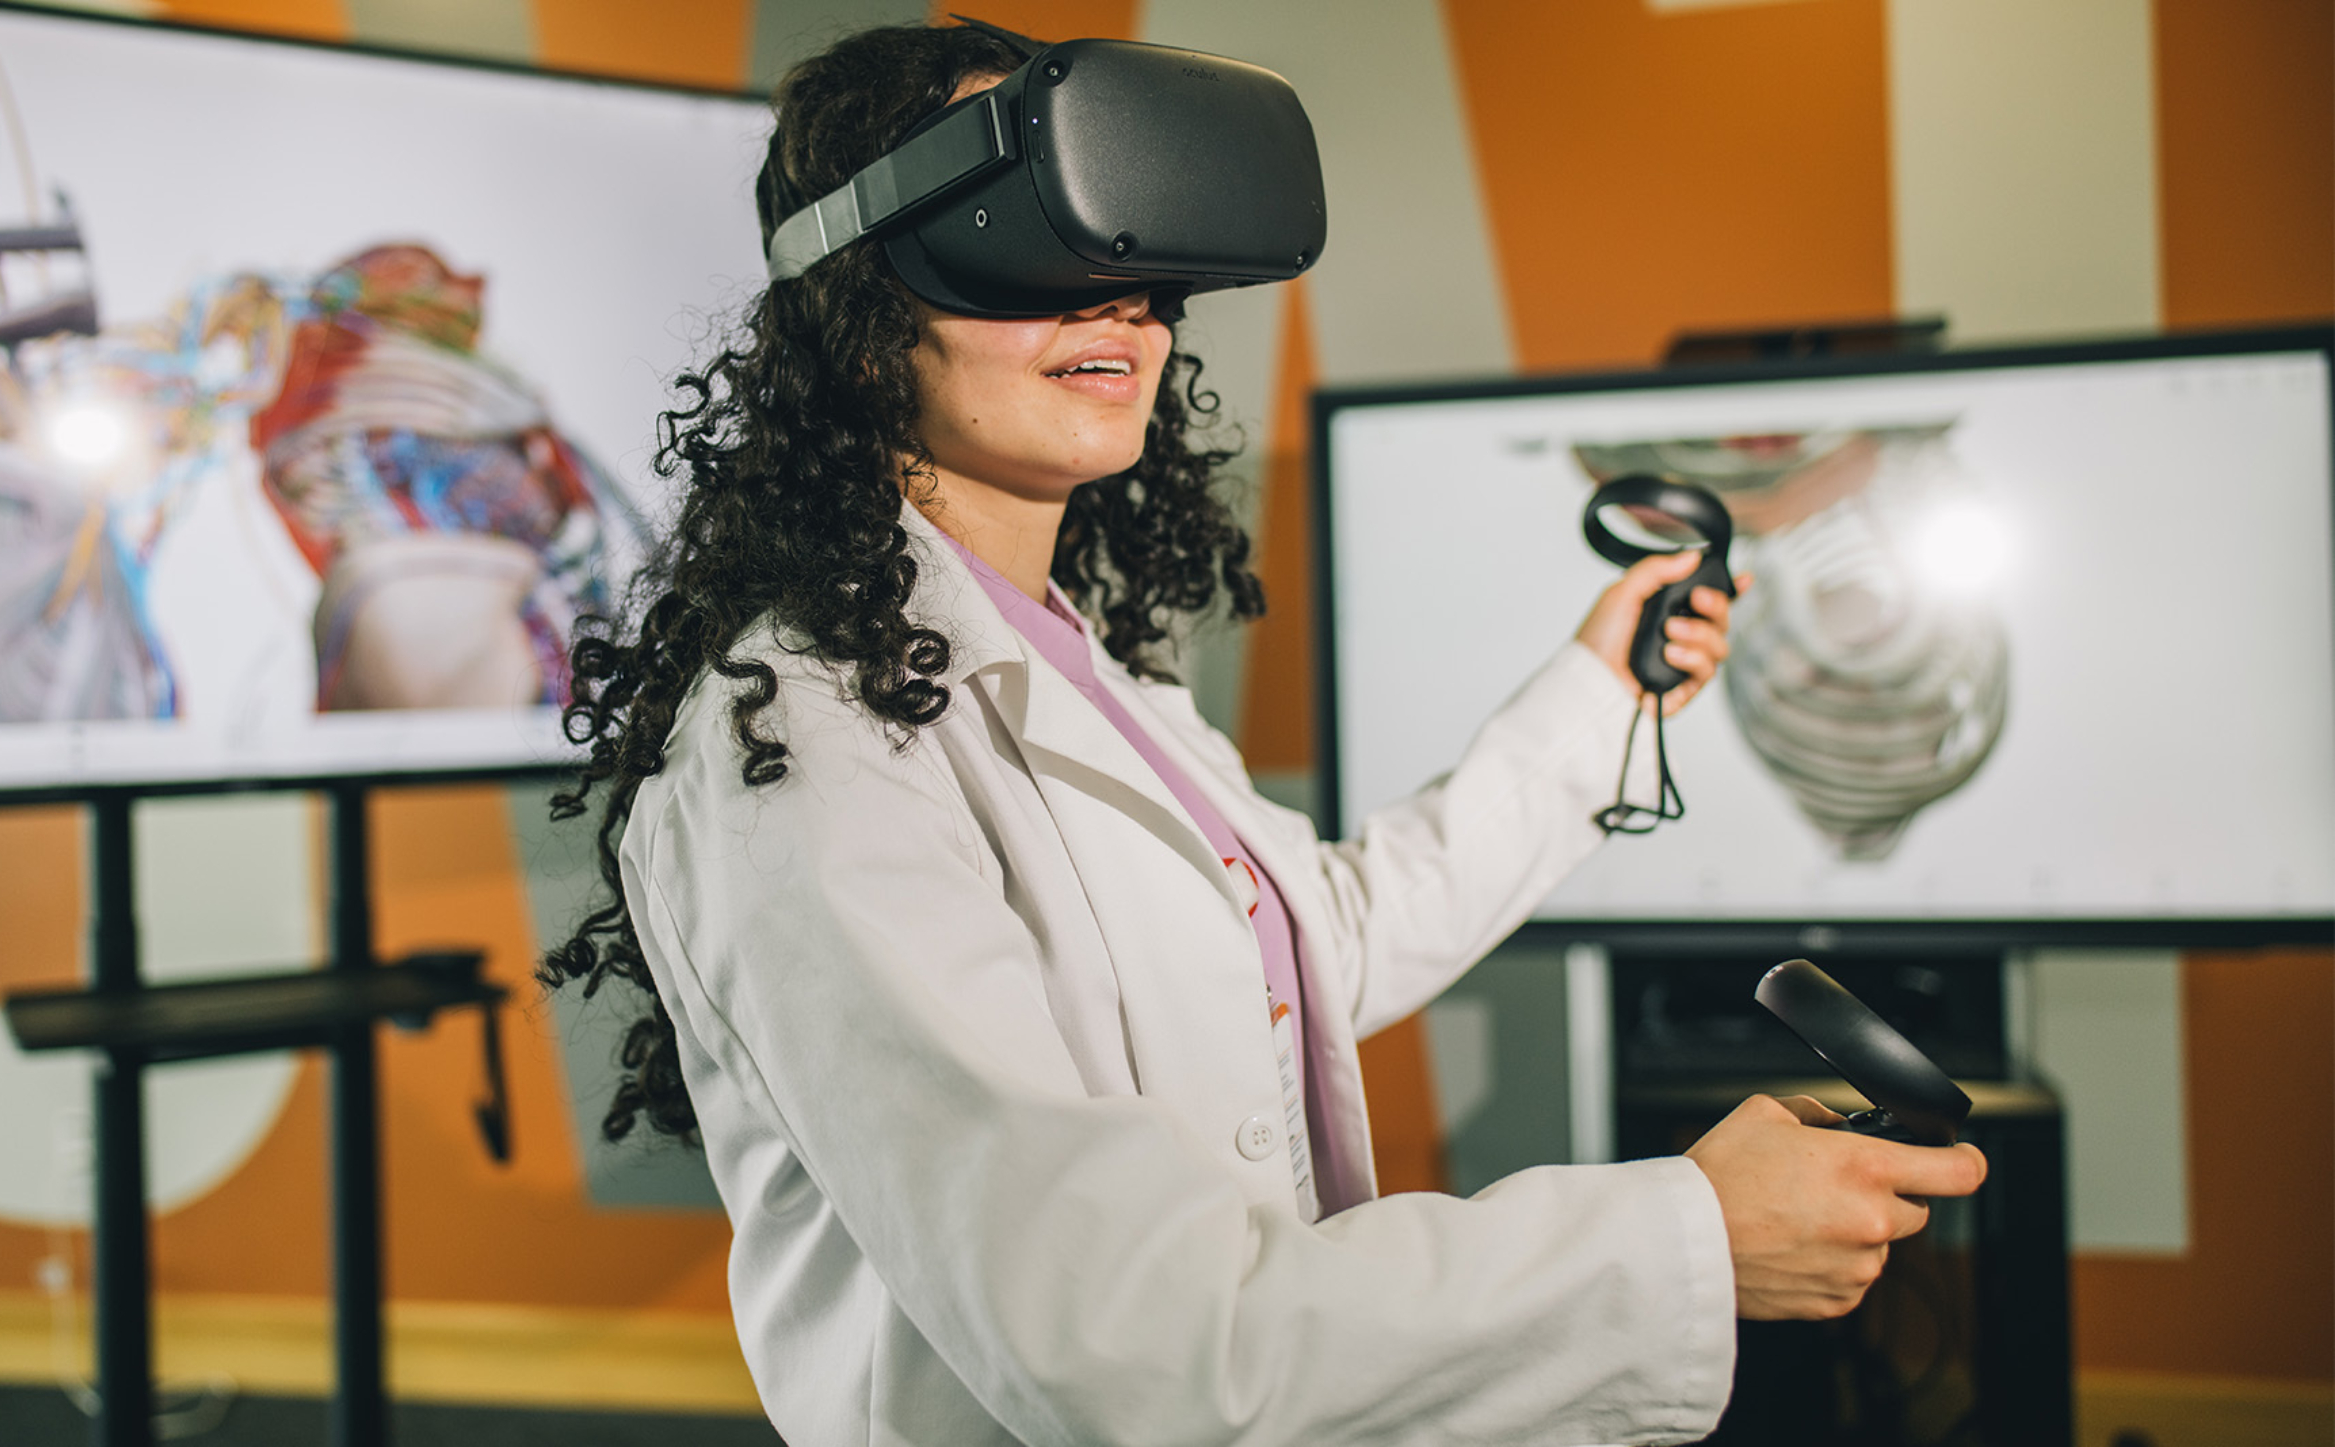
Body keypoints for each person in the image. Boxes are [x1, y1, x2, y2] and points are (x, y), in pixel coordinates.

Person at [546, 21, 1987, 1446]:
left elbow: (1309, 946)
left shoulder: (1080, 664)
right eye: (1028, 243)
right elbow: (1122, 1340)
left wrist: (1601, 697)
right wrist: (1681, 1239)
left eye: (1135, 256)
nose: (1116, 301)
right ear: (861, 313)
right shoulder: (805, 752)